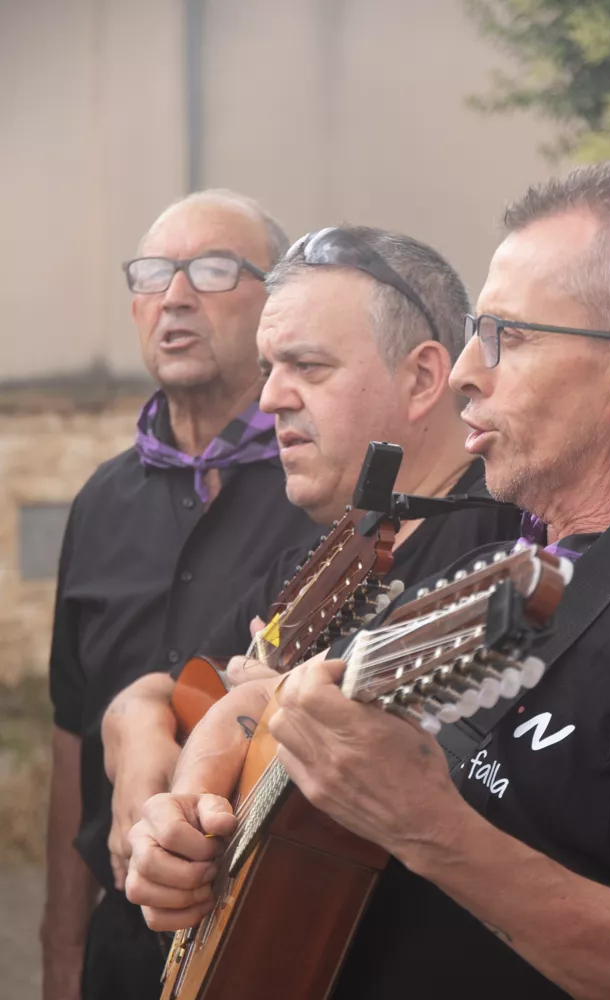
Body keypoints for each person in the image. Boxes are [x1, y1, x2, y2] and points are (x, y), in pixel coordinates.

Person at [127, 159, 610, 999]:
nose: (462, 373)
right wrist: (189, 818)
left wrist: (427, 827)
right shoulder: (520, 572)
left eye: (507, 337)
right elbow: (262, 699)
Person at [103, 224, 521, 889]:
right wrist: (135, 729)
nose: (269, 398)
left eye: (307, 367)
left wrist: (252, 713)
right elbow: (185, 682)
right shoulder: (333, 556)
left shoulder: (515, 547)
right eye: (270, 370)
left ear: (420, 378)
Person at [42, 189, 320, 1000]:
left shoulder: (325, 491)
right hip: (119, 954)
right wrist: (61, 948)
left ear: (278, 304)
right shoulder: (99, 503)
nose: (176, 296)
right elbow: (71, 741)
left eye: (212, 270)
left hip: (266, 939)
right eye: (155, 275)